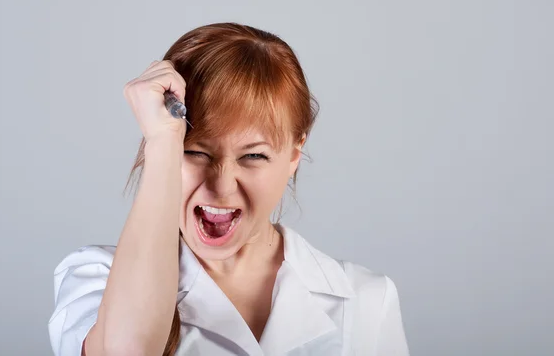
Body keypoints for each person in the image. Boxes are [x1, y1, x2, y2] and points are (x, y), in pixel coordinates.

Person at [48, 22, 409, 356]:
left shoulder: (367, 300)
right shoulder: (96, 278)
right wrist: (162, 138)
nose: (220, 185)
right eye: (194, 151)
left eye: (253, 156)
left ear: (295, 154)